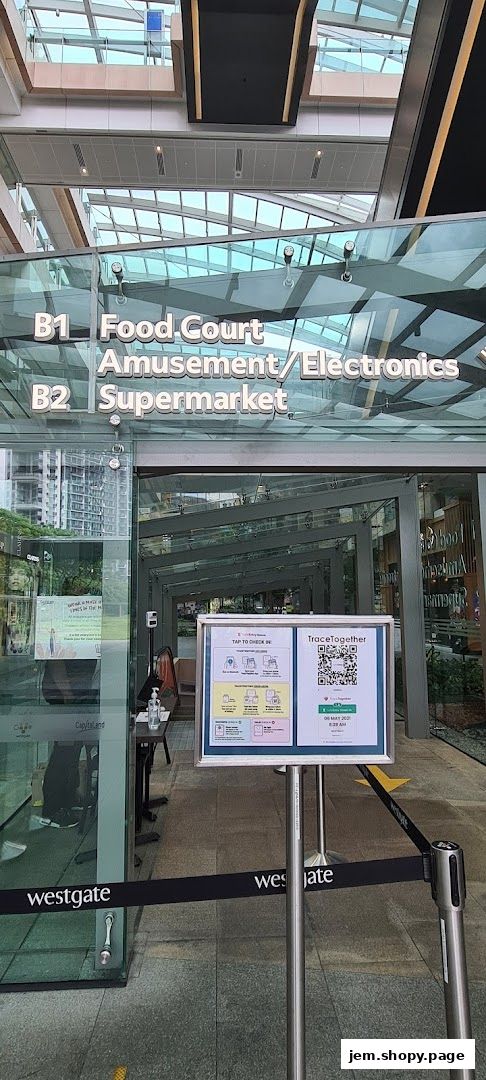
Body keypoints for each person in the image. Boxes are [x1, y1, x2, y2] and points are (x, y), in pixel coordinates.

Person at [41, 579, 100, 828]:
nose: (83, 595)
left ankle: (70, 795)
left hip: (77, 694)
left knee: (72, 748)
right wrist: (67, 697)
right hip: (65, 695)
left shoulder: (77, 622)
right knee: (64, 750)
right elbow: (56, 662)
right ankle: (53, 809)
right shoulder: (58, 621)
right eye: (78, 592)